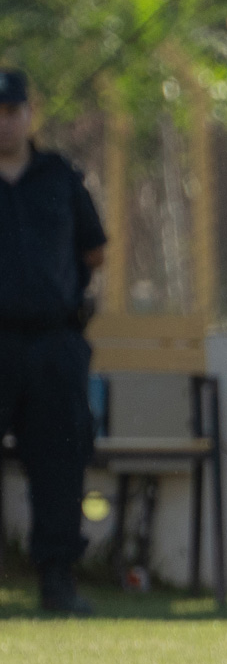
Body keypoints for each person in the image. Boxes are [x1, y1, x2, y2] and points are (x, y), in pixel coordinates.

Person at [0, 69, 106, 616]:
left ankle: (57, 580)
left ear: (28, 112)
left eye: (11, 110)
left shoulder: (60, 176)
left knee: (60, 458)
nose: (4, 123)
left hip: (53, 342)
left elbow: (94, 250)